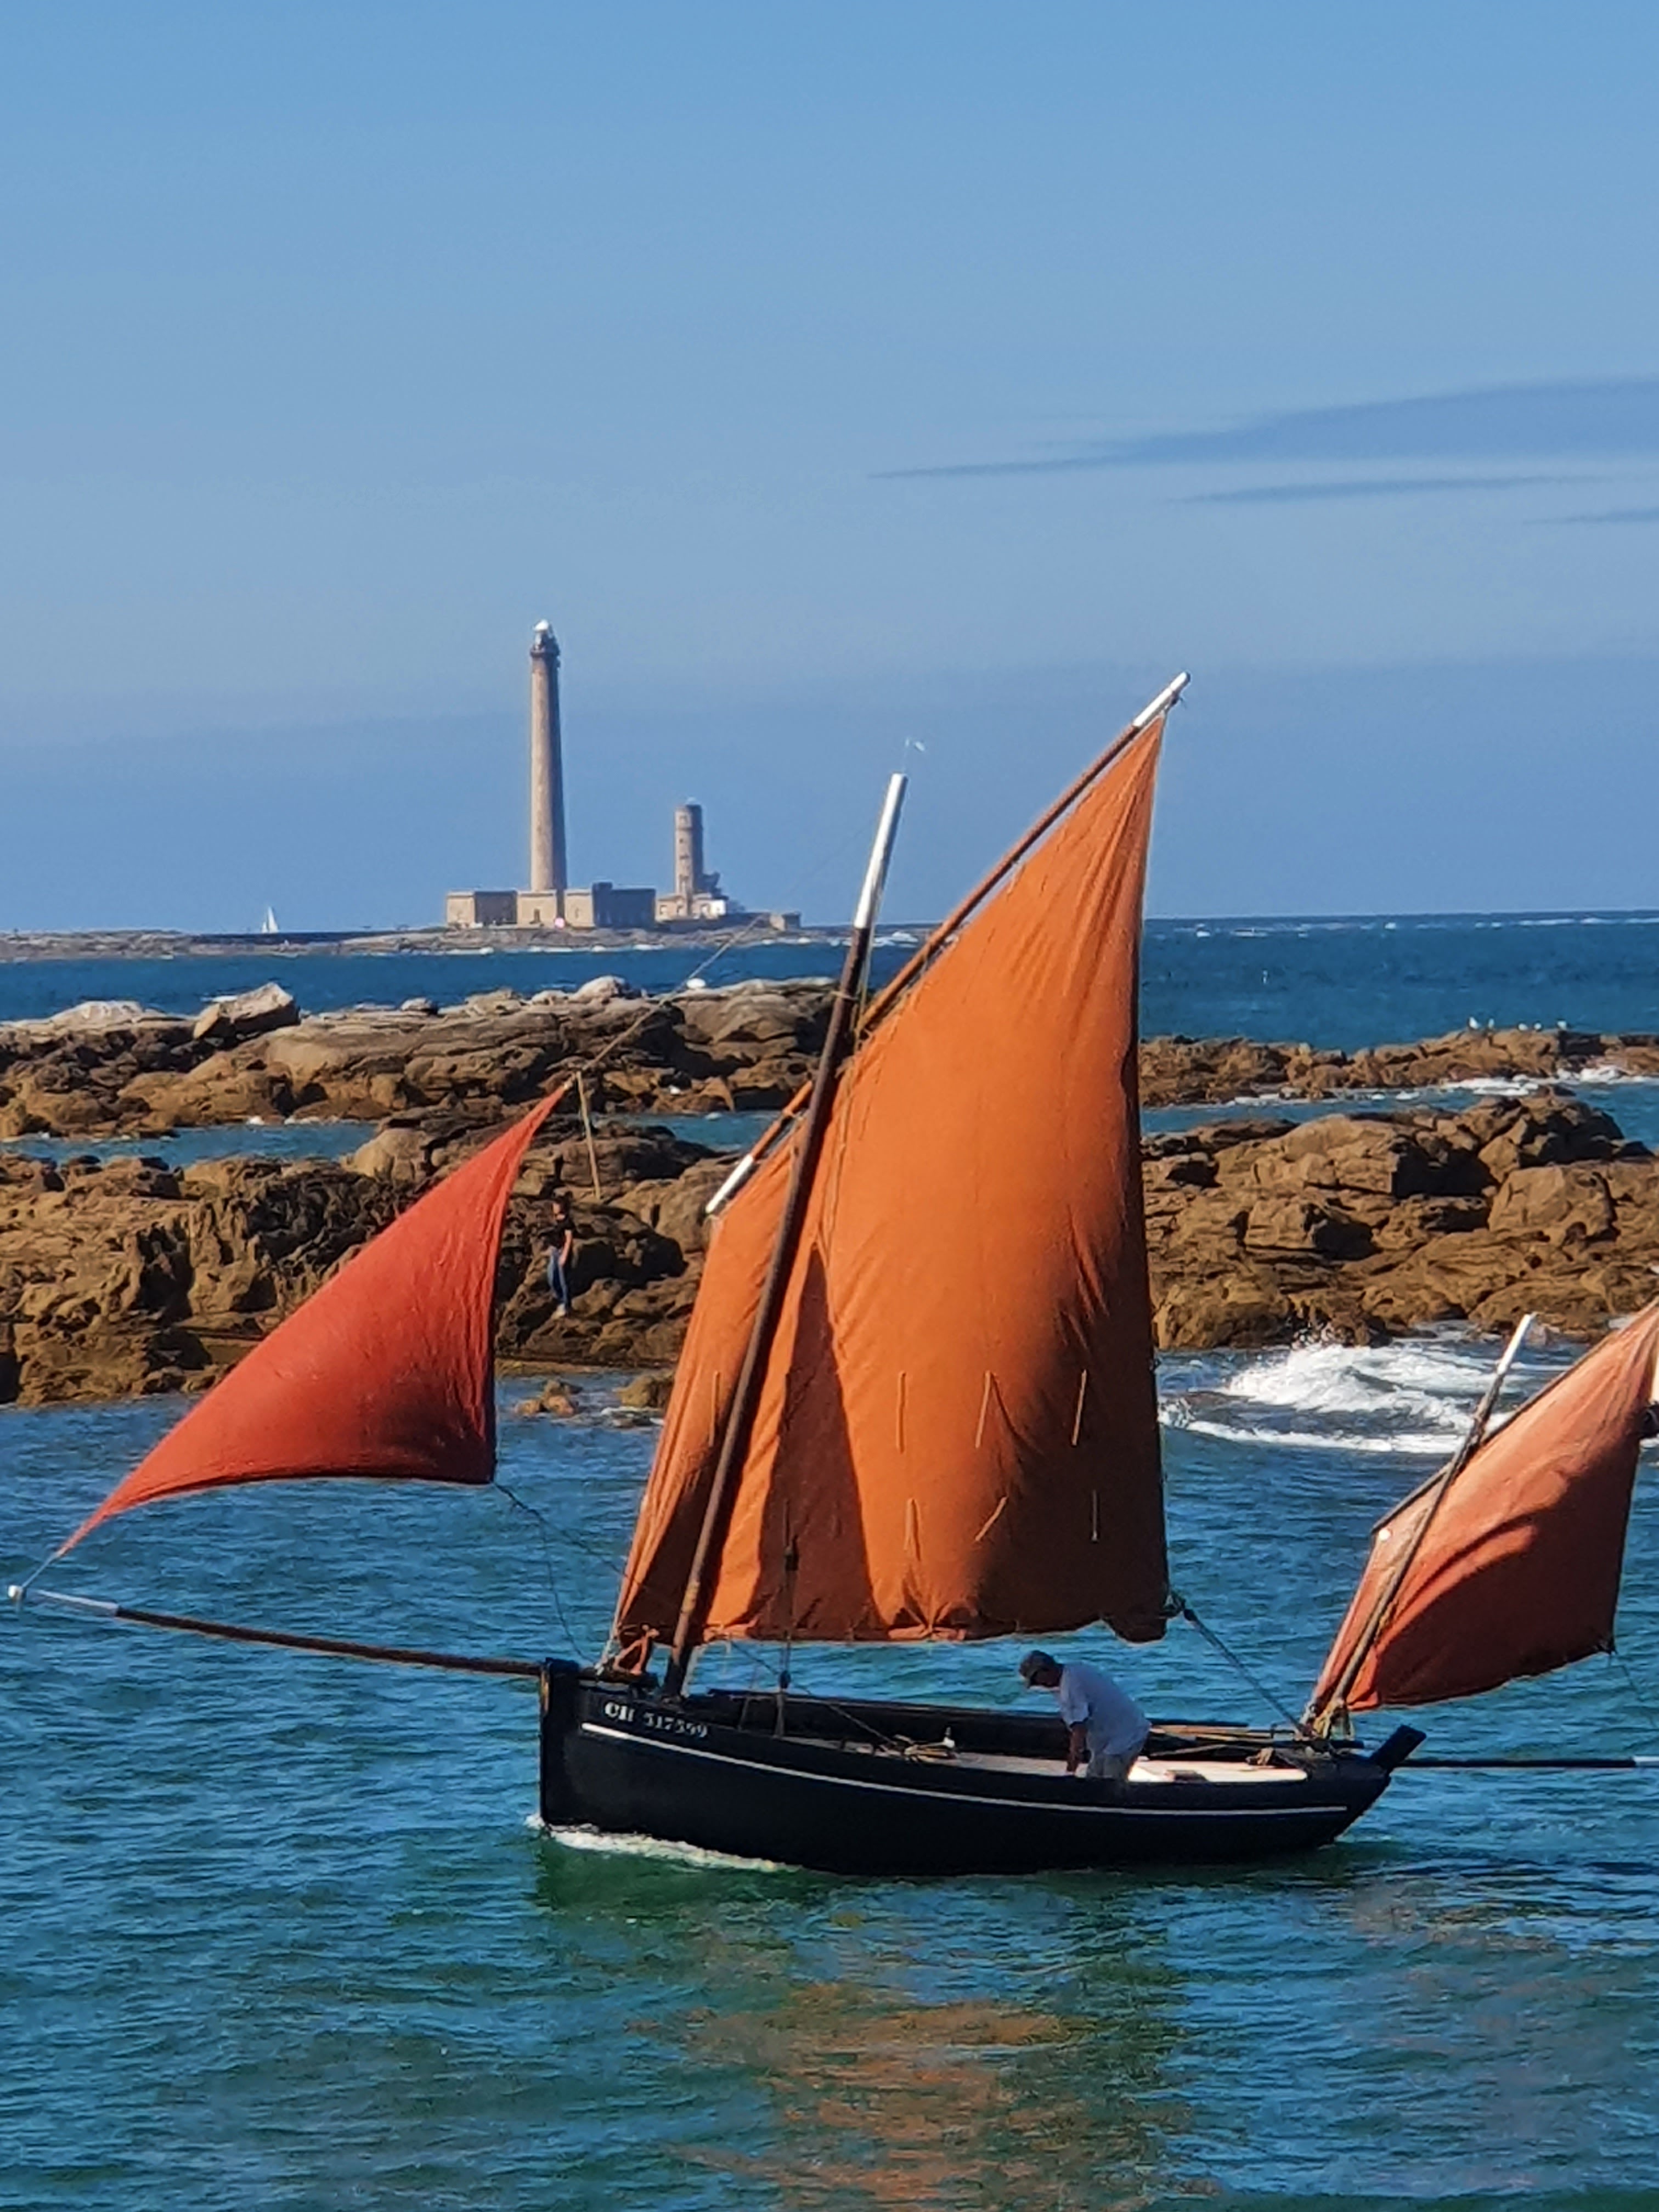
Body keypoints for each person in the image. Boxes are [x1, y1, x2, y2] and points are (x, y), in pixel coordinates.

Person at [1019, 1649, 1148, 1781]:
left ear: (1046, 1670)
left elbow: (1079, 1730)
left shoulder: (1071, 1685)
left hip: (1125, 1736)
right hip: (1107, 1738)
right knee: (1094, 1778)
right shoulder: (1074, 1671)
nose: (1039, 1685)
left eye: (1036, 1680)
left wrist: (1071, 1770)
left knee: (1110, 1783)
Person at [546, 1195, 575, 1317]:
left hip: (562, 1252)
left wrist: (564, 1256)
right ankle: (560, 1300)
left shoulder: (568, 1222)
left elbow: (569, 1240)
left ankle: (566, 1305)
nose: (554, 1207)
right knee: (552, 1277)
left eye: (556, 1206)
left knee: (564, 1280)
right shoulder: (556, 1219)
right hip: (554, 1252)